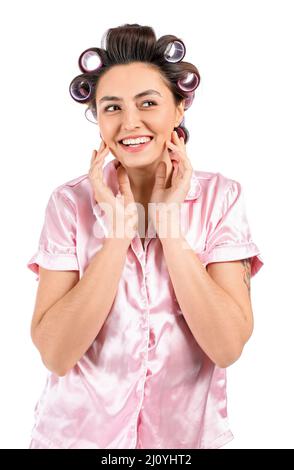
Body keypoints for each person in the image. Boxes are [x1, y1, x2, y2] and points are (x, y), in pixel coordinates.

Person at [27, 23, 264, 449]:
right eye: (112, 107)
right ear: (97, 118)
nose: (129, 122)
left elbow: (227, 346)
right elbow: (56, 354)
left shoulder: (220, 199)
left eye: (148, 103)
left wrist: (169, 225)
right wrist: (117, 232)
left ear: (178, 109)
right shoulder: (68, 205)